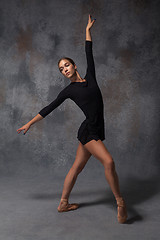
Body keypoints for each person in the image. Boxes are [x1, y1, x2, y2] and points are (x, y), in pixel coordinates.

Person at [17, 14, 128, 223]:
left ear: (74, 66)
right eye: (61, 69)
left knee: (76, 168)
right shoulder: (69, 91)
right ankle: (121, 203)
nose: (64, 70)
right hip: (89, 132)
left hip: (91, 128)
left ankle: (63, 203)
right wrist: (29, 123)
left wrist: (87, 30)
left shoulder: (91, 77)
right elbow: (48, 108)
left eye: (66, 65)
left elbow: (89, 52)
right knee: (109, 162)